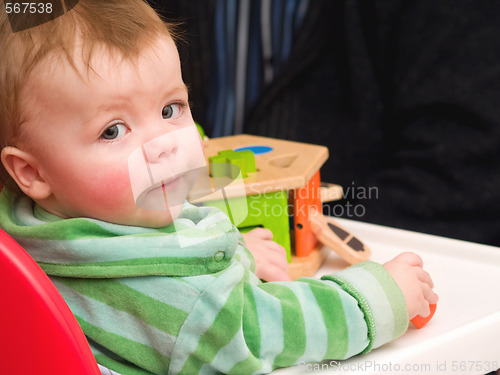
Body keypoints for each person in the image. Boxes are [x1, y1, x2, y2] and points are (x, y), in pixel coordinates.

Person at [0, 1, 437, 374]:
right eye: (113, 131)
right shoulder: (189, 301)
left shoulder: (34, 232)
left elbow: (163, 255)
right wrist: (379, 297)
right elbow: (261, 330)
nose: (163, 145)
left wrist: (233, 254)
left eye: (171, 108)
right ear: (32, 173)